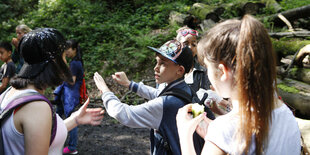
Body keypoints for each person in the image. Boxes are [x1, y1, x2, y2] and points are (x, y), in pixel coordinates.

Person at [176, 15, 301, 154]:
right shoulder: (285, 112)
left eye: (207, 67)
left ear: (222, 71)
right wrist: (217, 139)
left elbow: (232, 133)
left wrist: (184, 134)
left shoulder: (224, 129)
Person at [94, 40, 214, 155]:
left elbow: (123, 114)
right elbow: (158, 94)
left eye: (162, 63)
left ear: (180, 70)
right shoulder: (186, 90)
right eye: (156, 62)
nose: (155, 68)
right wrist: (129, 84)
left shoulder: (166, 104)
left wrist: (105, 91)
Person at [0, 28, 104, 155]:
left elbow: (38, 135)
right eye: (64, 57)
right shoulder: (36, 107)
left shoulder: (11, 92)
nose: (66, 63)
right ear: (54, 61)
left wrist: (75, 119)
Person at [53, 39, 84, 154]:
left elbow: (72, 81)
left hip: (70, 95)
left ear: (74, 49)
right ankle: (57, 140)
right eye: (65, 49)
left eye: (68, 49)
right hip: (67, 94)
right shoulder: (74, 62)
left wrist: (62, 73)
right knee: (58, 116)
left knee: (71, 119)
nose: (66, 51)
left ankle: (72, 147)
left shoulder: (75, 63)